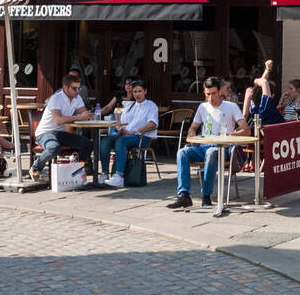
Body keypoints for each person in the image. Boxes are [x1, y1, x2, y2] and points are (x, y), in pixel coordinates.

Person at [168, 76, 250, 210]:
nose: (210, 98)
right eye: (207, 94)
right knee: (182, 152)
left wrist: (231, 135)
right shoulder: (203, 107)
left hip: (223, 148)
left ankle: (206, 196)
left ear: (220, 92)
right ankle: (184, 195)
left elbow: (246, 130)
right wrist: (192, 135)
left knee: (212, 153)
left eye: (213, 94)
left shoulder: (231, 107)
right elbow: (193, 127)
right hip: (204, 146)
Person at [29, 74, 96, 184]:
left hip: (60, 133)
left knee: (88, 144)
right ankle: (35, 168)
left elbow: (84, 114)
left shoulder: (77, 98)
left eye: (79, 88)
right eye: (74, 88)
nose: (77, 91)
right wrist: (79, 117)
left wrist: (94, 114)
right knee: (54, 148)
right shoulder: (56, 98)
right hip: (44, 133)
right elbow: (58, 120)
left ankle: (76, 172)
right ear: (65, 87)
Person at [99, 79, 158, 188]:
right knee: (105, 141)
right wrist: (121, 129)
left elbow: (153, 124)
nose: (137, 94)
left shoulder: (151, 105)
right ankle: (104, 173)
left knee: (121, 141)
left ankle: (119, 176)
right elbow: (123, 123)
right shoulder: (130, 105)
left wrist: (135, 131)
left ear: (145, 91)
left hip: (142, 137)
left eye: (140, 91)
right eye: (135, 92)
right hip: (126, 135)